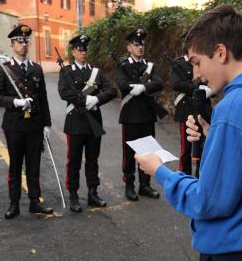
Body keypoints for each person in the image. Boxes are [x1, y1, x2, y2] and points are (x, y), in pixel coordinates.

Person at [135, 5, 242, 260]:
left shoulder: (234, 107)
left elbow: (208, 201)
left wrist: (159, 171)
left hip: (234, 250)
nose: (196, 74)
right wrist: (213, 133)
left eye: (197, 62)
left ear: (221, 52)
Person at [0, 24, 53, 219]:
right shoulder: (5, 70)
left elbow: (43, 98)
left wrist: (47, 124)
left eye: (26, 41)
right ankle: (14, 203)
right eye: (19, 41)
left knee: (34, 165)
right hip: (14, 125)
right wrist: (15, 102)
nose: (24, 44)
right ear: (12, 45)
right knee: (15, 165)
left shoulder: (36, 69)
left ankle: (35, 202)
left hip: (34, 125)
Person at [58, 34, 117, 212]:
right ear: (73, 51)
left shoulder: (96, 72)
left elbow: (112, 90)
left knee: (93, 160)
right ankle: (74, 195)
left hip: (93, 122)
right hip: (75, 122)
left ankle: (93, 193)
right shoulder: (66, 71)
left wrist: (97, 99)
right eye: (80, 49)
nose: (83, 52)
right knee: (74, 160)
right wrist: (84, 100)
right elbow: (64, 93)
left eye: (85, 49)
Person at [116, 28, 168, 201]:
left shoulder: (149, 66)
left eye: (142, 44)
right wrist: (139, 85)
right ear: (129, 47)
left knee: (147, 151)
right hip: (130, 116)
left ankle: (145, 185)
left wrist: (144, 87)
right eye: (136, 44)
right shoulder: (123, 65)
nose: (140, 47)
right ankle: (129, 185)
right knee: (129, 152)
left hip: (147, 115)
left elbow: (159, 82)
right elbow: (123, 84)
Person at [170, 33, 213, 177]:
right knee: (186, 148)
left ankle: (201, 176)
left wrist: (208, 90)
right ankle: (184, 176)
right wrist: (195, 84)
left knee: (205, 145)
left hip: (203, 108)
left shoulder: (205, 60)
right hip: (186, 109)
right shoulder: (178, 63)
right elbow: (177, 84)